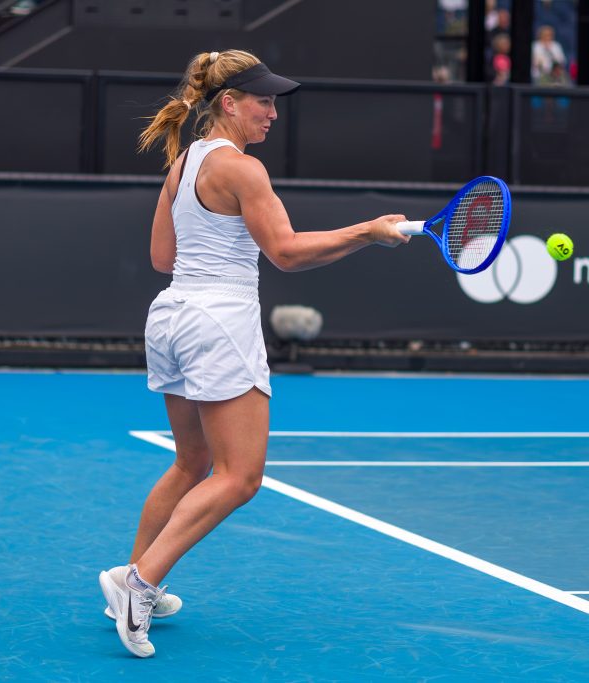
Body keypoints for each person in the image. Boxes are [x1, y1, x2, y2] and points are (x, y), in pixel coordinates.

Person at [97, 49, 410, 658]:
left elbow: (163, 258)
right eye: (263, 100)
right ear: (227, 104)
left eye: (273, 101)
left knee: (191, 464)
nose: (272, 112)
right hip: (219, 320)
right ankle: (141, 582)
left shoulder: (184, 161)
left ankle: (128, 574)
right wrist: (366, 233)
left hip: (172, 316)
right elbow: (287, 252)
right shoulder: (243, 169)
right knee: (239, 477)